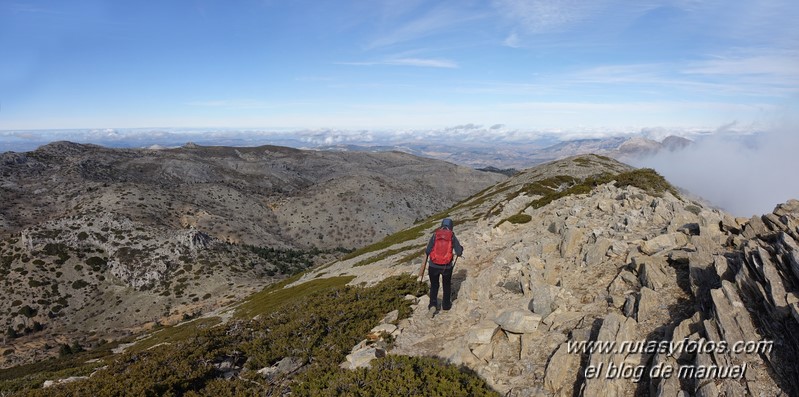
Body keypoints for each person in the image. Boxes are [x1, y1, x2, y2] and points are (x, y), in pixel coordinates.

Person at [425, 218, 463, 317]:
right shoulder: (452, 236)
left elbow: (428, 251)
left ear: (442, 225)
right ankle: (446, 305)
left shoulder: (435, 235)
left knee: (434, 285)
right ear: (451, 226)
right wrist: (460, 249)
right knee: (446, 285)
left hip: (433, 265)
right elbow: (458, 252)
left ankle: (433, 305)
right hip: (446, 266)